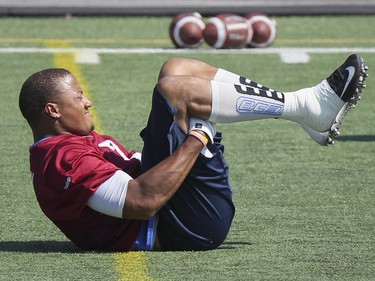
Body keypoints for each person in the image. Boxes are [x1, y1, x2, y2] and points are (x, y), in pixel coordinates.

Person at [19, 54, 368, 251]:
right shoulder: (61, 160)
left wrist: (179, 135)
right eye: (78, 97)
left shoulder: (69, 144)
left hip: (175, 211)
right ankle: (304, 106)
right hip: (183, 227)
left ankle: (303, 112)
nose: (88, 101)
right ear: (52, 110)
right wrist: (195, 138)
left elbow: (137, 172)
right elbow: (141, 202)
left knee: (176, 70)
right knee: (174, 92)